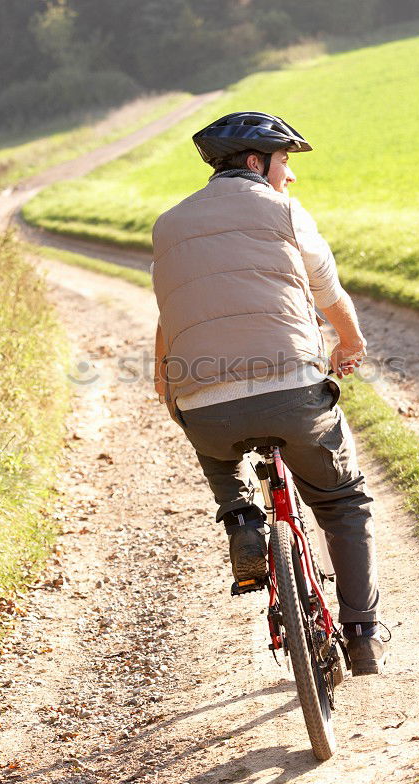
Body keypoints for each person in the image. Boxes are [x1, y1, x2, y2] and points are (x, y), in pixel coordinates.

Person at [151, 111, 385, 675]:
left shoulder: (168, 224)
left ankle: (241, 519)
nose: (292, 176)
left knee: (206, 431)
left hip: (203, 401)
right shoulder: (284, 211)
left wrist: (171, 392)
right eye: (285, 161)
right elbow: (329, 294)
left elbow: (169, 315)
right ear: (256, 162)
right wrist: (348, 345)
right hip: (292, 391)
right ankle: (362, 634)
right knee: (342, 502)